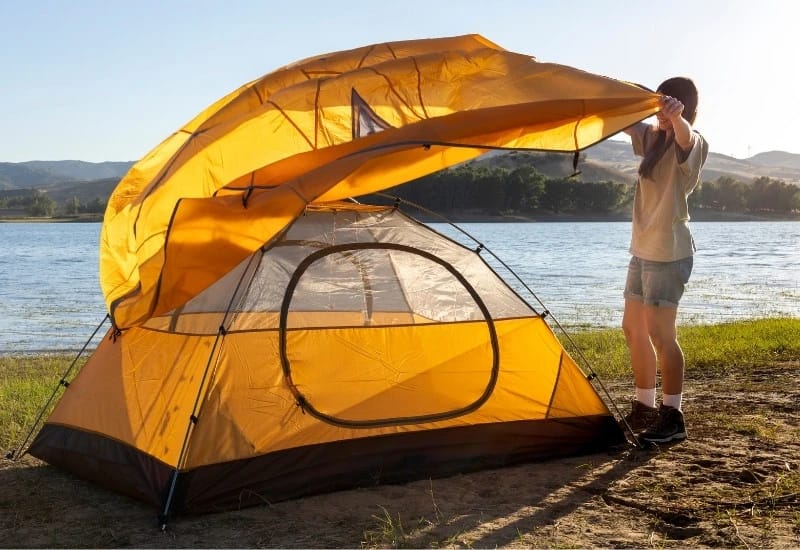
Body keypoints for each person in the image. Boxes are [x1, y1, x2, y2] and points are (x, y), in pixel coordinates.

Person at [621, 77, 709, 443]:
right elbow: (623, 121)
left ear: (683, 106)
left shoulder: (693, 141)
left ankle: (673, 416)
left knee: (661, 335)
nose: (661, 112)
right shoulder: (652, 139)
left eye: (668, 105)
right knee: (633, 329)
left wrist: (679, 118)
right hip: (641, 252)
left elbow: (687, 135)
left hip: (669, 254)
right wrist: (637, 101)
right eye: (659, 104)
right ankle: (645, 407)